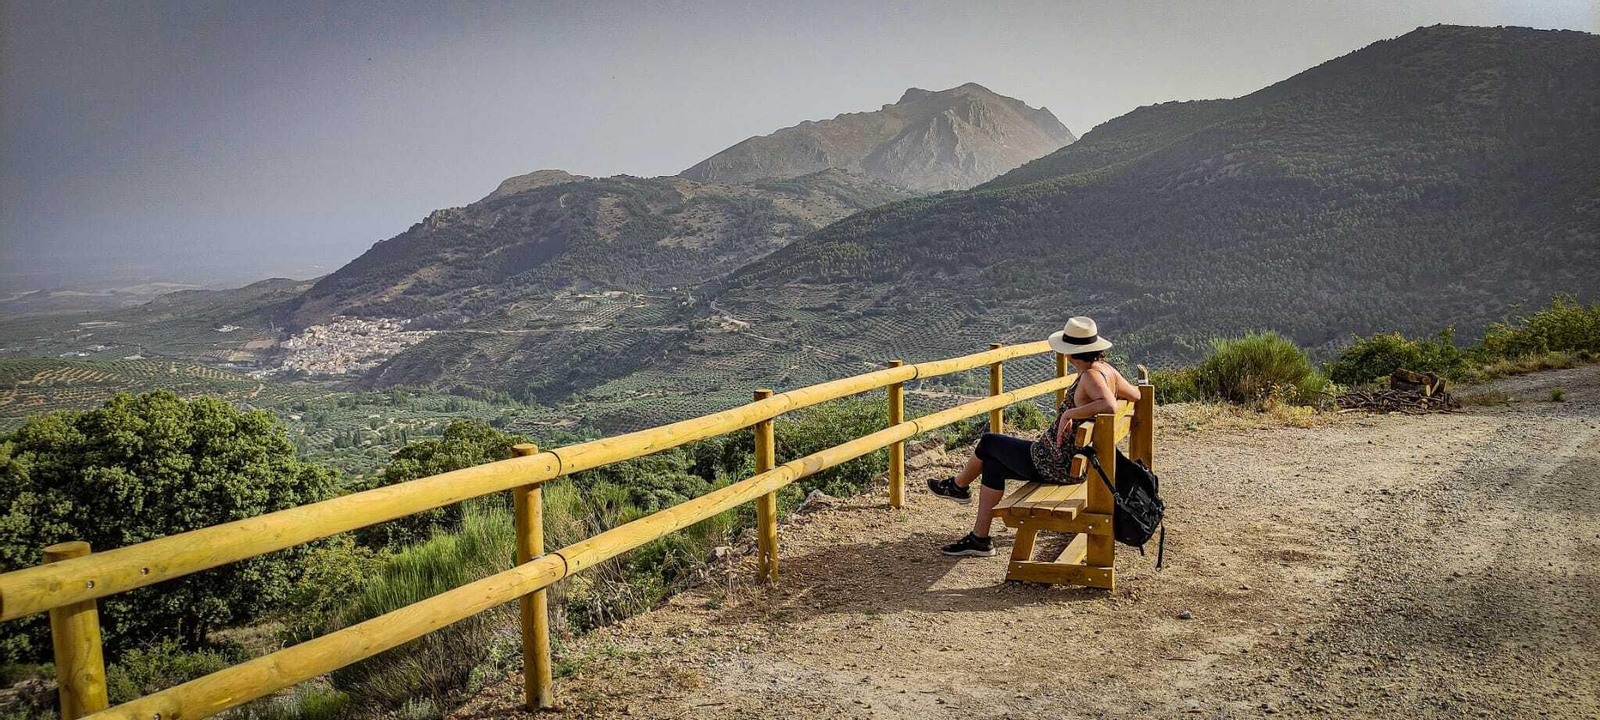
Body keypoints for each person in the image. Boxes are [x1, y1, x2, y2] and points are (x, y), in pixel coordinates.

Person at [927, 317, 1143, 556]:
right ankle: (979, 539)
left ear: (1070, 354)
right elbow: (1136, 395)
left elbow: (1110, 406)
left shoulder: (1090, 377)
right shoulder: (1106, 371)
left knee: (989, 442)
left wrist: (1071, 412)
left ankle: (958, 486)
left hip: (1054, 464)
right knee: (992, 465)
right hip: (1068, 461)